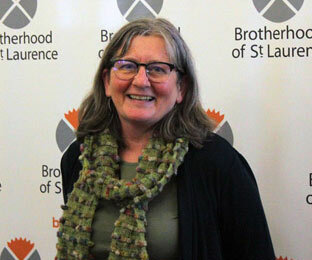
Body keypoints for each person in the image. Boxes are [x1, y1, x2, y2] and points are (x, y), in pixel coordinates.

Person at [56, 18, 275, 260]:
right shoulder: (79, 159)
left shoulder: (217, 162)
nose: (140, 81)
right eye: (127, 66)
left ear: (181, 87)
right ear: (107, 81)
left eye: (158, 69)